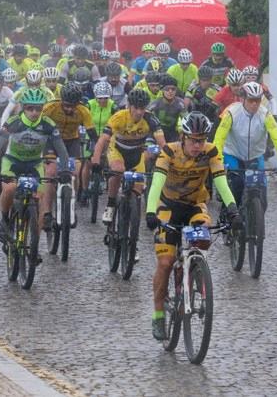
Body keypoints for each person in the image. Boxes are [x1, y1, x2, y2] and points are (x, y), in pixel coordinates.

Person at [145, 112, 241, 340]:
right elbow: (157, 182)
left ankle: (194, 273)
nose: (198, 145)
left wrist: (233, 209)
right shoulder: (169, 151)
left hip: (195, 205)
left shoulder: (211, 152)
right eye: (194, 140)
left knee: (202, 239)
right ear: (183, 137)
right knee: (166, 261)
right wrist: (150, 212)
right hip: (167, 206)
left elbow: (221, 182)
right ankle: (158, 314)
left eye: (202, 140)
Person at [0, 88, 71, 244]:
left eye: (38, 108)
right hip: (12, 161)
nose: (34, 112)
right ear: (23, 107)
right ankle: (5, 221)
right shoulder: (14, 122)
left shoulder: (48, 124)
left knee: (40, 199)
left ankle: (34, 243)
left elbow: (61, 149)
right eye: (30, 108)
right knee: (10, 188)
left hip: (34, 163)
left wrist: (65, 168)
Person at [91, 89, 165, 224]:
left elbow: (162, 144)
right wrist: (96, 160)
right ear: (129, 106)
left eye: (142, 108)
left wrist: (168, 160)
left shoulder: (151, 119)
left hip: (137, 153)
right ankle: (110, 205)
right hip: (117, 150)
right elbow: (103, 140)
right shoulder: (119, 117)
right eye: (136, 108)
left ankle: (130, 234)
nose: (139, 112)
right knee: (118, 170)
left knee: (137, 191)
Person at [214, 81, 277, 207]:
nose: (255, 104)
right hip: (233, 154)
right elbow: (219, 138)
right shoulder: (231, 113)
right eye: (251, 100)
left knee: (262, 192)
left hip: (255, 156)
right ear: (243, 98)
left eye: (258, 100)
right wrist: (218, 160)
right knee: (237, 184)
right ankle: (230, 214)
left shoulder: (265, 114)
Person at [147, 74, 185, 142]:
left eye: (173, 89)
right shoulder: (155, 104)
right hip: (156, 134)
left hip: (173, 135)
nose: (170, 91)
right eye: (167, 89)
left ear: (176, 90)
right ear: (162, 90)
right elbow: (145, 119)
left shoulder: (181, 104)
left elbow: (186, 120)